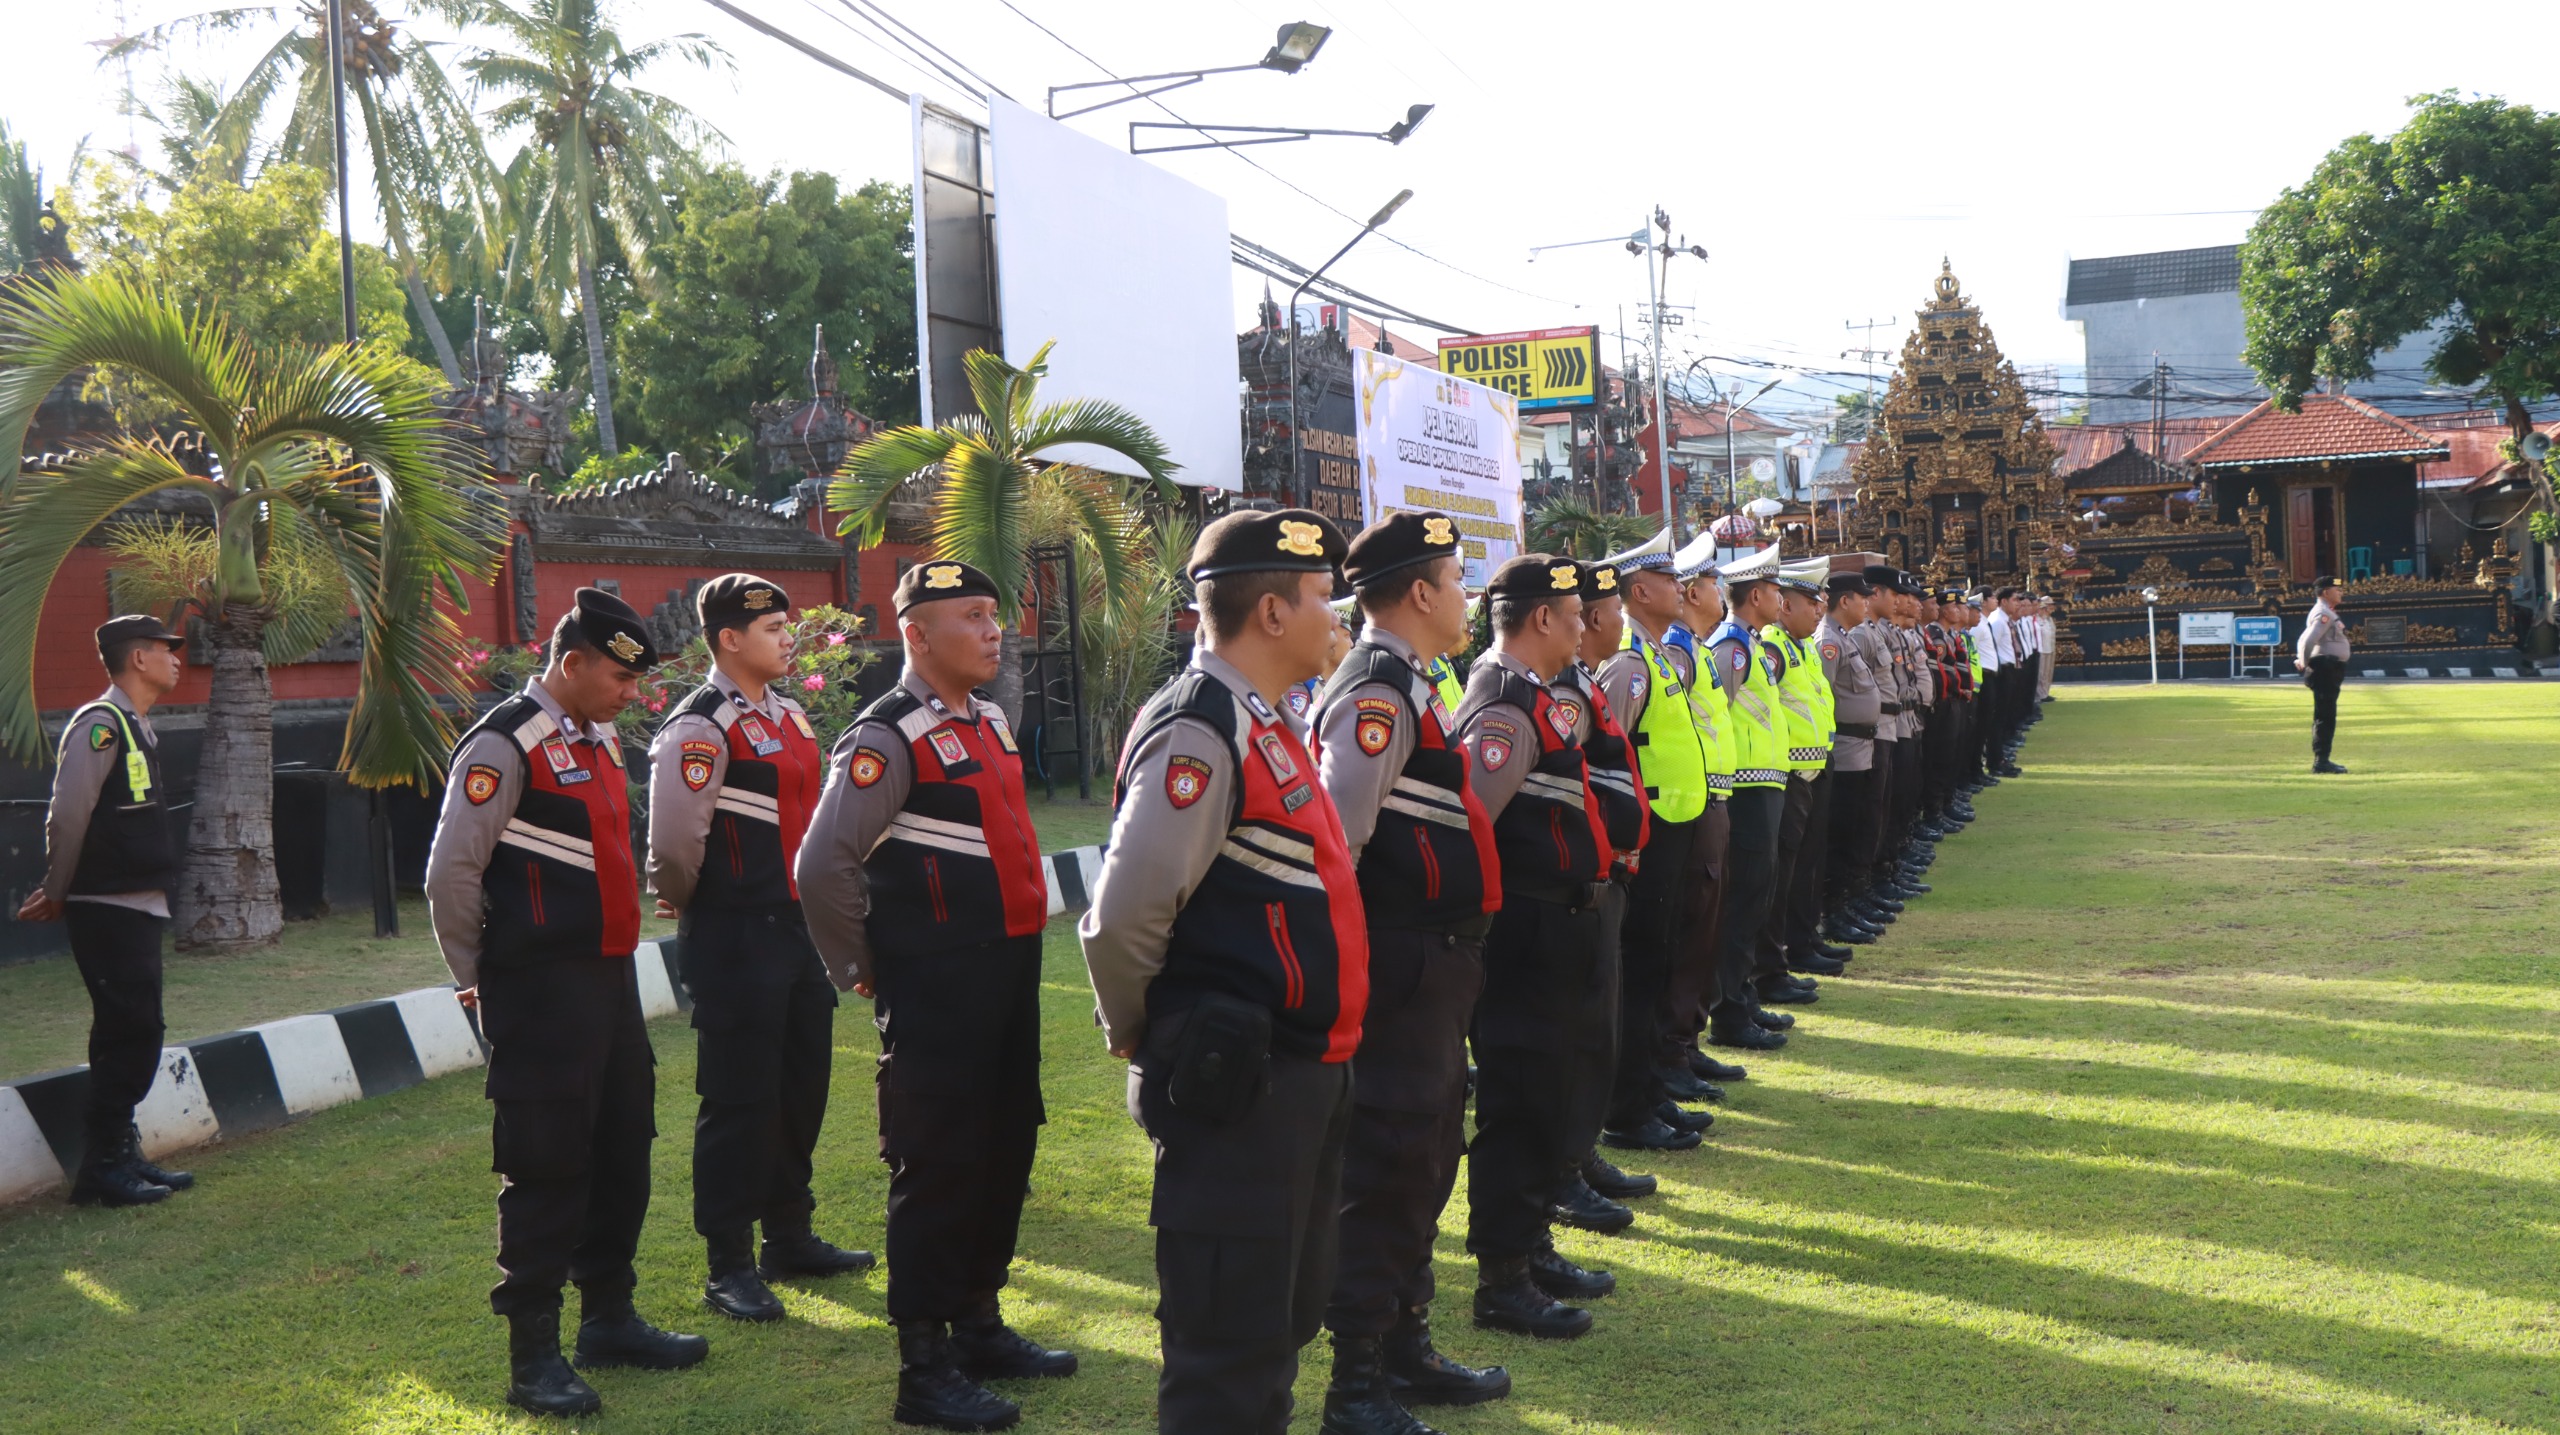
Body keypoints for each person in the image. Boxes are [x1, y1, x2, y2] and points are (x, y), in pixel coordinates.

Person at [1080, 509, 1367, 1435]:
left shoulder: (1268, 718)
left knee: (1276, 1322)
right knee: (1226, 1349)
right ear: (1273, 614)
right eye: (1326, 599)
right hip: (1238, 1084)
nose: (1340, 620)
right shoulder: (1202, 728)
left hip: (1293, 1077)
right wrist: (1139, 1033)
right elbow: (1124, 916)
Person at [425, 588, 708, 1418]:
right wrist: (475, 975)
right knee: (546, 1162)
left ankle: (609, 1318)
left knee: (623, 1147)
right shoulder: (506, 743)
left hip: (609, 981)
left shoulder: (598, 737)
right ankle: (533, 1355)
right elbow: (451, 873)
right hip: (539, 988)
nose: (632, 692)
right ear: (572, 661)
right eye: (618, 676)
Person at [796, 559, 1064, 1431]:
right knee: (938, 1162)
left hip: (1009, 970)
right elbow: (822, 863)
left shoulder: (988, 718)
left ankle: (979, 1322)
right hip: (938, 979)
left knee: (1003, 1147)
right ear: (916, 632)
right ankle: (924, 1364)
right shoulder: (888, 735)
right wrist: (861, 962)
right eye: (973, 615)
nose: (995, 630)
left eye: (995, 614)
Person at [1308, 511, 1511, 1435]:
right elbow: (1338, 842)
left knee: (1427, 1154)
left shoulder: (1413, 679)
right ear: (1420, 593)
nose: (1468, 597)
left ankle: (1403, 1344)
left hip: (1437, 962)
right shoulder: (1377, 689)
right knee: (1389, 1161)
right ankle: (1356, 1383)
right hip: (1401, 964)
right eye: (1458, 579)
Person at [645, 575, 872, 1331]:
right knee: (739, 1100)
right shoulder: (700, 725)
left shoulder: (791, 716)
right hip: (737, 933)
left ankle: (789, 1235)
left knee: (800, 1086)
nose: (787, 637)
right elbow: (675, 844)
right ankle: (728, 1264)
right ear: (729, 639)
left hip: (796, 929)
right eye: (773, 627)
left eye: (788, 625)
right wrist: (689, 894)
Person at [1452, 553, 1616, 1342]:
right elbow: (1471, 825)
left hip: (1561, 924)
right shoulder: (1503, 702)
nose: (1585, 621)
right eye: (1575, 610)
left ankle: (1531, 1243)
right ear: (1542, 617)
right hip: (1524, 932)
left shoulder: (1534, 696)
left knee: (1547, 1094)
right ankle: (1503, 1277)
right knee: (1518, 1101)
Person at [17, 615, 195, 1208]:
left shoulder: (135, 723)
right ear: (138, 659)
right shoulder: (100, 724)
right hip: (108, 903)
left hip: (135, 902)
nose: (177, 658)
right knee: (130, 1029)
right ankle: (101, 1167)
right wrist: (59, 887)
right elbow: (68, 814)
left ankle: (120, 1152)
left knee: (137, 1027)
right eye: (167, 649)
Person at [1593, 530, 1710, 1154]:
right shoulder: (1628, 664)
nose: (1681, 589)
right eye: (1669, 581)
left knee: (1659, 961)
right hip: (1649, 832)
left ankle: (1649, 1087)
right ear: (1640, 591)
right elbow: (1608, 756)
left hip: (1675, 823)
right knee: (1638, 969)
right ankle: (1629, 1106)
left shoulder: (1659, 656)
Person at [1703, 546, 1790, 1051]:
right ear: (1755, 595)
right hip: (1746, 788)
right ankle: (1729, 1012)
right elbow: (1720, 714)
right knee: (1741, 904)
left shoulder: (1750, 643)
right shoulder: (1731, 647)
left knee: (1758, 896)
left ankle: (1744, 996)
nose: (1780, 599)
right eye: (1776, 591)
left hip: (1767, 783)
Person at [1815, 572, 1884, 951]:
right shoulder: (1829, 641)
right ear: (1845, 601)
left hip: (1859, 747)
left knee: (1856, 826)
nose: (1866, 603)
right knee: (1841, 833)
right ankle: (1835, 911)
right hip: (1842, 750)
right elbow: (1823, 700)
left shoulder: (1841, 639)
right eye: (1861, 597)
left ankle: (1849, 902)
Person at [2295, 577, 2350, 774]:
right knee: (2325, 717)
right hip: (2325, 669)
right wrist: (2304, 661)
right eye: (2337, 589)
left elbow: (2303, 638)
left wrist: (2301, 658)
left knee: (2326, 715)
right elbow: (2308, 640)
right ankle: (2321, 761)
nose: (2341, 592)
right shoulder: (2324, 613)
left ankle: (2323, 759)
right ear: (2326, 592)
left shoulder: (2324, 612)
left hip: (2329, 669)